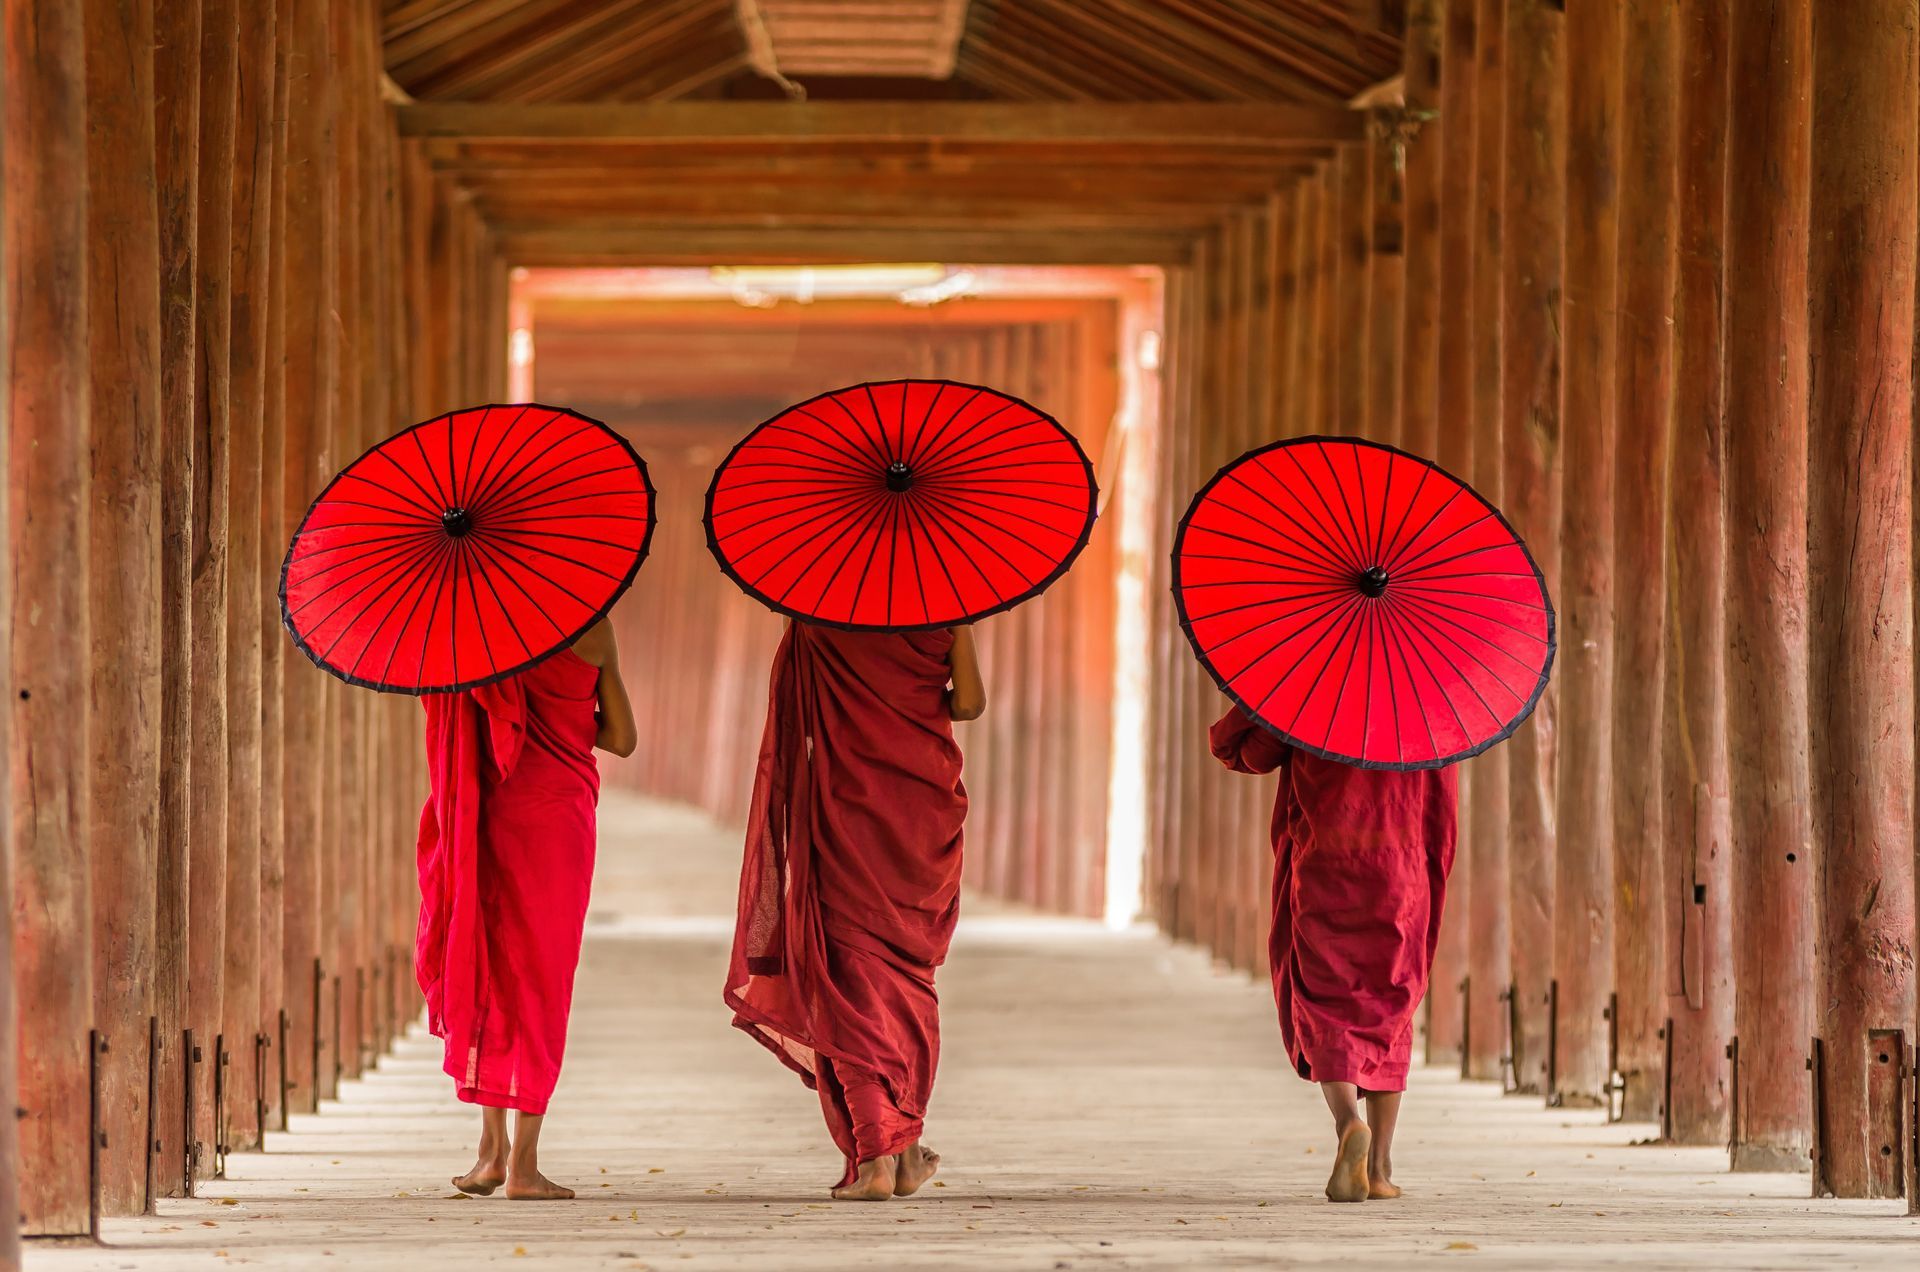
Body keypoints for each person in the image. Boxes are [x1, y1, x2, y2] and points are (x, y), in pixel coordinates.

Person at [725, 620, 985, 1201]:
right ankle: (903, 1150)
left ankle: (878, 1161)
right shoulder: (946, 611)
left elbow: (794, 716)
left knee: (846, 977)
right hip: (922, 814)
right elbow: (968, 703)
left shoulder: (816, 619)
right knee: (908, 978)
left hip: (845, 810)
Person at [416, 617, 636, 1201]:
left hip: (488, 811)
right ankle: (525, 1165)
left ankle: (490, 1152)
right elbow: (622, 737)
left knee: (488, 965)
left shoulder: (475, 632)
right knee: (542, 980)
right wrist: (565, 717)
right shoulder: (593, 632)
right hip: (558, 819)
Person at [1209, 702, 1456, 1203]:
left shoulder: (1312, 686)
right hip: (1400, 868)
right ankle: (1382, 1168)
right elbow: (1442, 816)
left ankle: (1348, 1124)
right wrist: (1427, 875)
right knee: (1392, 1007)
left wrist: (1271, 702)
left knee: (1323, 1002)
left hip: (1327, 860)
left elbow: (1242, 750)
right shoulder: (1429, 702)